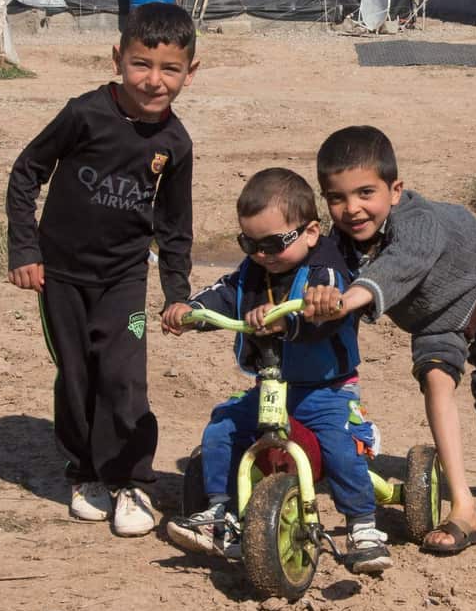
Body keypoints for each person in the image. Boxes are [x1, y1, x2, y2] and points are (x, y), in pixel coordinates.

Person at [301, 126, 476, 555]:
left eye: (365, 193)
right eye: (336, 198)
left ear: (395, 190)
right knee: (435, 377)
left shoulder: (418, 223)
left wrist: (347, 300)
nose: (352, 209)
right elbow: (320, 263)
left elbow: (399, 263)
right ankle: (464, 509)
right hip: (438, 314)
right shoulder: (343, 239)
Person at [6, 2, 199, 537]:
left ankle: (132, 480)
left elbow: (175, 225)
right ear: (118, 58)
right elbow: (27, 172)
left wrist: (175, 293)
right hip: (60, 277)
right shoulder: (84, 113)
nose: (153, 80)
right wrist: (25, 250)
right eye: (141, 64)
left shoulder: (175, 144)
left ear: (190, 72)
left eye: (169, 69)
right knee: (76, 376)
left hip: (125, 281)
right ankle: (86, 472)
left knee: (123, 375)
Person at [160, 168, 392, 574]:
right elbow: (224, 292)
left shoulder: (327, 273)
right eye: (248, 243)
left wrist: (292, 318)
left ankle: (362, 526)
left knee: (340, 447)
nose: (261, 253)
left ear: (311, 233)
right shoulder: (253, 272)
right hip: (271, 386)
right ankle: (220, 514)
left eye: (272, 243)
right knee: (223, 428)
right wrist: (191, 311)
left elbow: (331, 314)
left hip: (327, 390)